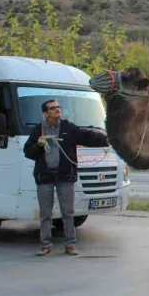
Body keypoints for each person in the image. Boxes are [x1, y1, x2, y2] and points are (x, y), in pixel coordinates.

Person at [23, 99, 110, 256]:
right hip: (45, 178)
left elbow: (86, 136)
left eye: (58, 107)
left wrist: (105, 140)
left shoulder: (68, 127)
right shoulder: (39, 130)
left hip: (65, 177)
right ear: (45, 113)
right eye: (52, 108)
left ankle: (70, 244)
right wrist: (38, 145)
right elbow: (28, 152)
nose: (57, 110)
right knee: (45, 214)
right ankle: (45, 245)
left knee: (68, 212)